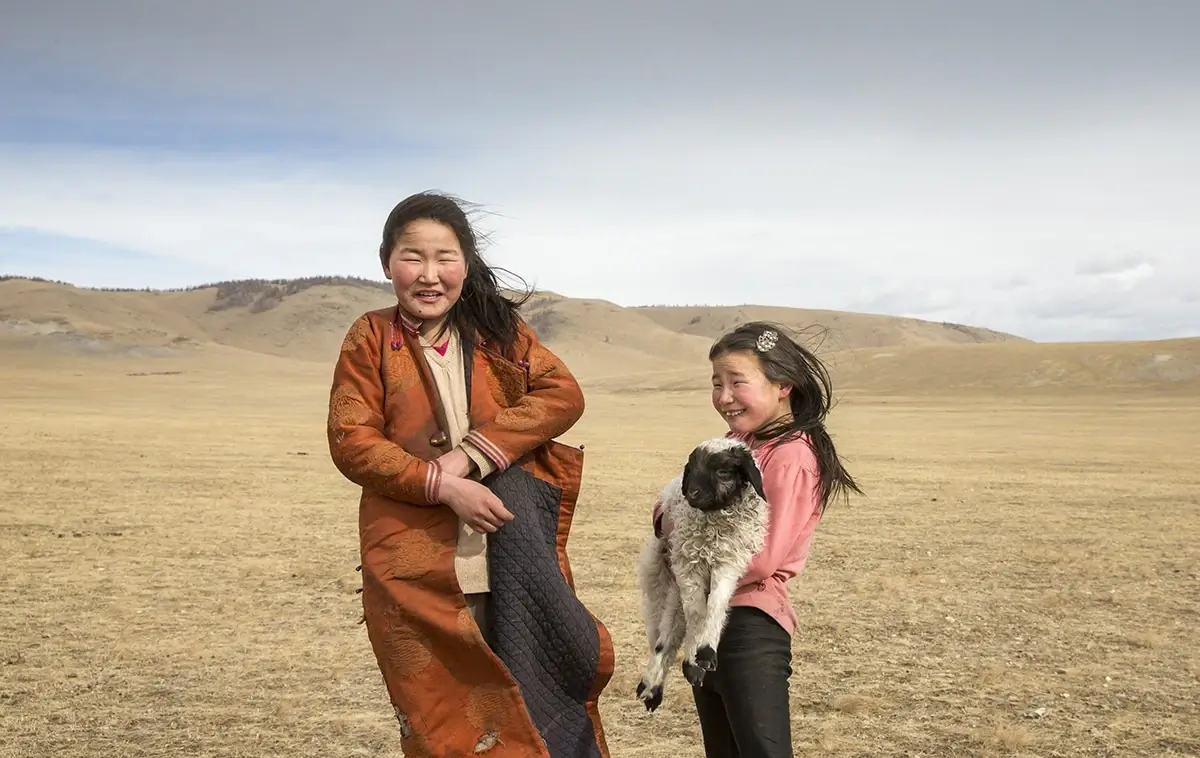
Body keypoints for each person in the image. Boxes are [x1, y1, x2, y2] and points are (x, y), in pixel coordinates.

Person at [327, 191, 613, 757]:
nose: (429, 275)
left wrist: (469, 457)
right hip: (416, 574)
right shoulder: (370, 336)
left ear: (466, 262)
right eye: (413, 256)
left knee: (532, 709)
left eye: (445, 257)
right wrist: (442, 486)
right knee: (442, 727)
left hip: (510, 563)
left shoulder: (497, 332)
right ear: (387, 262)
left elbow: (563, 393)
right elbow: (351, 440)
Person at [652, 321, 862, 758]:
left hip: (749, 626)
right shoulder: (734, 444)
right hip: (705, 624)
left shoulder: (791, 457)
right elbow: (668, 509)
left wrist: (684, 537)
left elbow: (761, 559)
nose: (724, 397)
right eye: (716, 384)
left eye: (737, 383)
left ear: (783, 384)